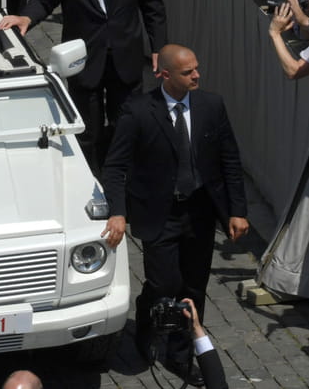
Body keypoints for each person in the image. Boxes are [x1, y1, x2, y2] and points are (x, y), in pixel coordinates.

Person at [99, 44, 249, 387]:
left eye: (196, 68)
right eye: (187, 71)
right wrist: (118, 213)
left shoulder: (211, 106)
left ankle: (181, 354)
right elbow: (115, 166)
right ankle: (148, 318)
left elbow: (230, 161)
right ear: (164, 75)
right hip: (159, 214)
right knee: (164, 283)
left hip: (198, 212)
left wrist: (236, 212)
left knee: (194, 287)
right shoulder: (138, 111)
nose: (197, 75)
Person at [0, 0, 168, 175]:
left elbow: (152, 4)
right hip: (85, 60)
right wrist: (27, 18)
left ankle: (121, 179)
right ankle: (90, 177)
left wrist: (159, 46)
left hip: (126, 56)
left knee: (125, 124)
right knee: (87, 129)